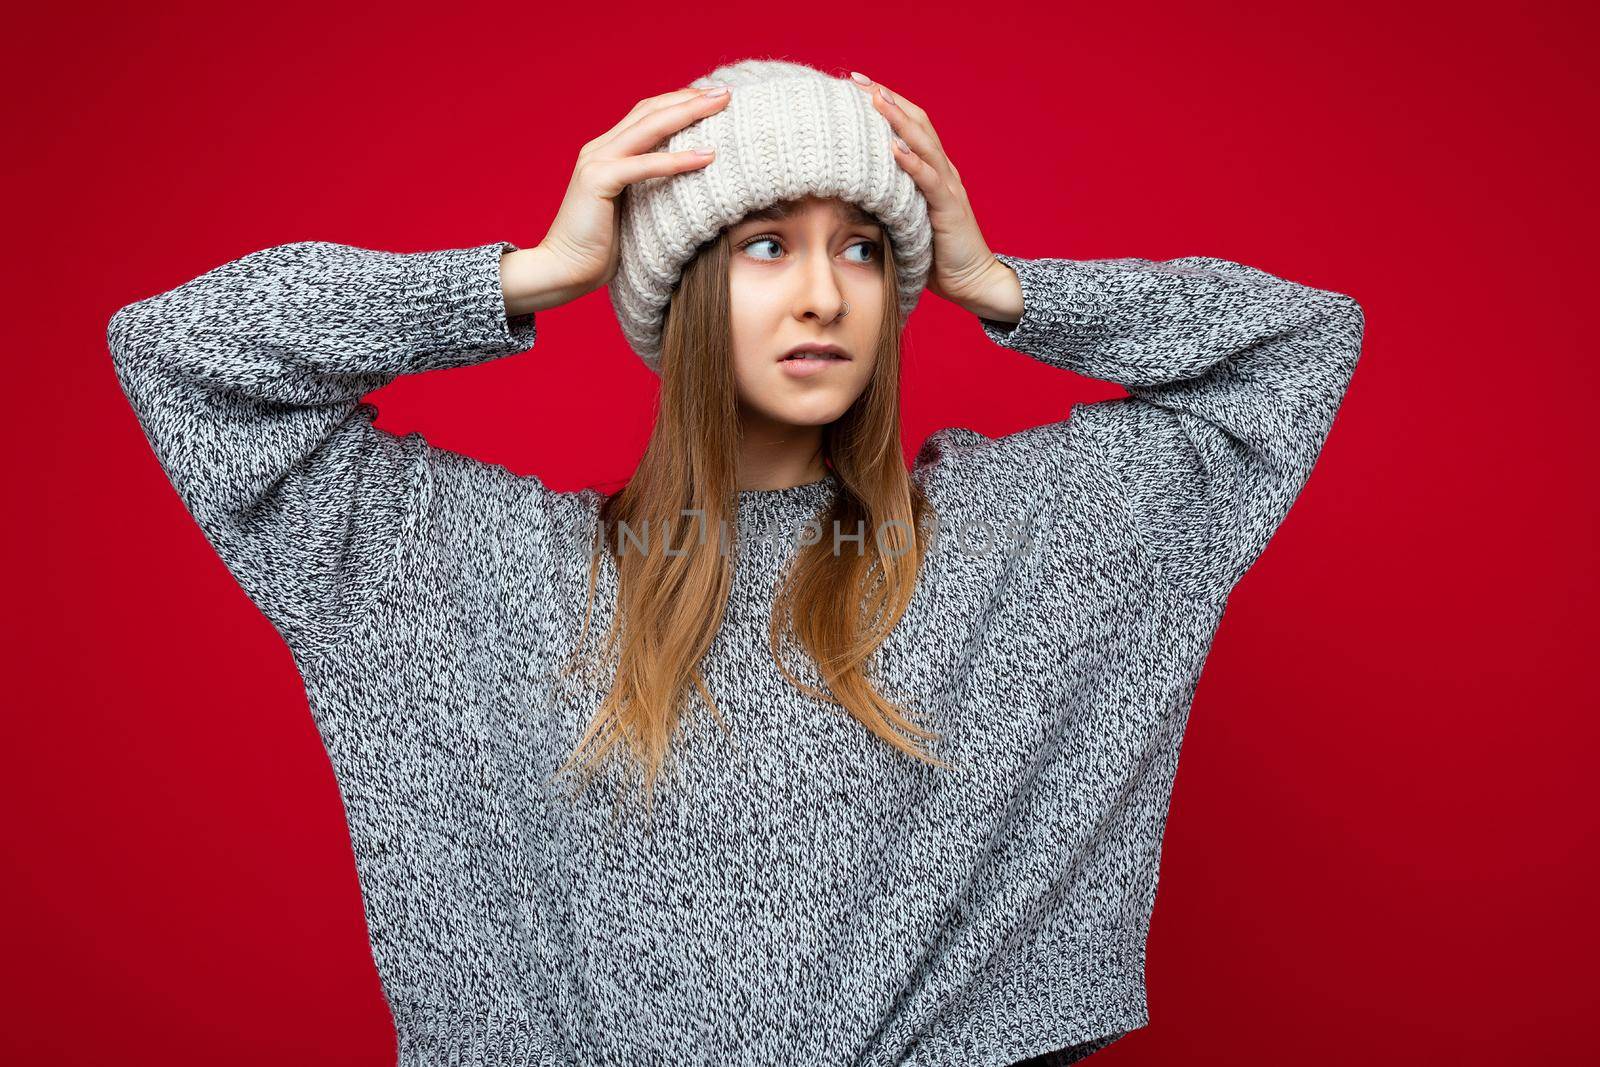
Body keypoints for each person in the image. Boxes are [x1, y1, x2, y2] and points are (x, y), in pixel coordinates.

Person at [106, 58, 1364, 1067]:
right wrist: (531, 273)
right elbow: (184, 353)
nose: (824, 291)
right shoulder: (485, 574)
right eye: (765, 242)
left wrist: (995, 282)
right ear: (684, 284)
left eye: (863, 246)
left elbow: (1296, 348)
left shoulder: (1015, 543)